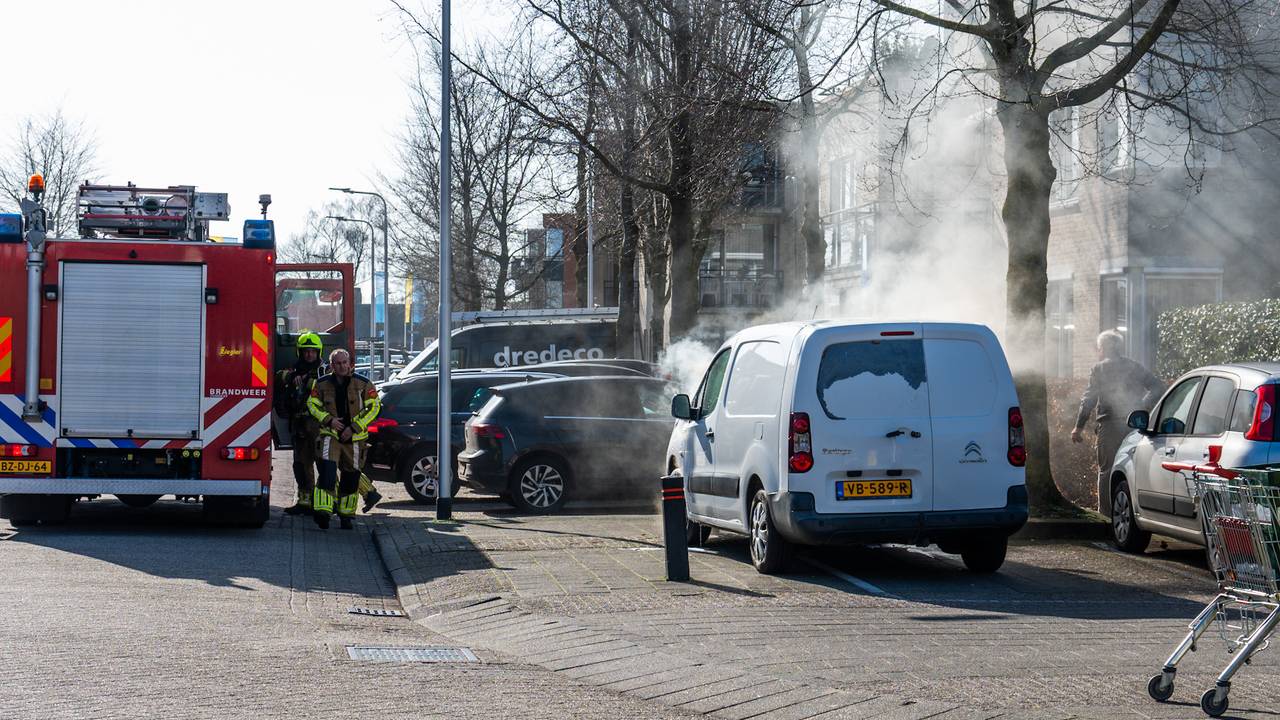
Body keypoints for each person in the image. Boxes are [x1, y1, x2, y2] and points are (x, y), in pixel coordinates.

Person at [1072, 329, 1166, 485]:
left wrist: (1078, 427)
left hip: (1109, 427)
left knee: (1106, 471)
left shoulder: (1099, 369)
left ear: (1104, 348)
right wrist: (1141, 406)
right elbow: (1158, 387)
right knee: (1132, 469)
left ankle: (1105, 510)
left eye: (1099, 348)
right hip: (1134, 426)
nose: (1098, 352)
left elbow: (1089, 399)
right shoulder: (1134, 366)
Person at [307, 348, 381, 530]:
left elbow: (374, 407)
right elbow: (312, 404)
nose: (341, 366)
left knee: (351, 478)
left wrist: (354, 427)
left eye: (344, 363)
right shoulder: (322, 383)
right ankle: (322, 513)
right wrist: (329, 420)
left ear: (350, 364)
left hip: (356, 438)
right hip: (330, 435)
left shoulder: (363, 383)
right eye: (337, 363)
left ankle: (346, 515)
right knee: (327, 473)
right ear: (332, 365)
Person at [276, 332, 325, 516]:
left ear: (318, 352)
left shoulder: (324, 371)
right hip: (300, 426)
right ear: (300, 352)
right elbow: (278, 377)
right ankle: (305, 502)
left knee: (325, 465)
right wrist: (291, 377)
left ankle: (326, 503)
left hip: (320, 427)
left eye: (313, 351)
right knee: (301, 465)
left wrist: (308, 381)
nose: (309, 355)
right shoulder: (294, 370)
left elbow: (326, 388)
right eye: (306, 351)